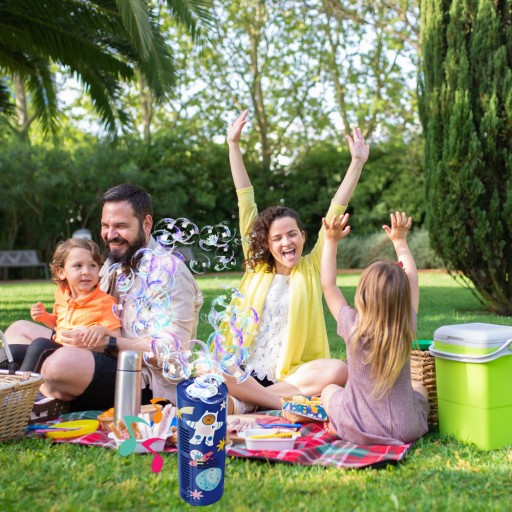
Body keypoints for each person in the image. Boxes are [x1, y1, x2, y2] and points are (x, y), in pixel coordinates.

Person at [3, 184, 203, 411]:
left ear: (146, 224)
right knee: (17, 332)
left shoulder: (169, 273)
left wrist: (109, 343)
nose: (110, 235)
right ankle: (35, 392)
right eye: (105, 226)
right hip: (95, 351)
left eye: (121, 226)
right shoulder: (113, 262)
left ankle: (35, 398)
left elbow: (173, 352)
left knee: (58, 364)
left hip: (141, 378)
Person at [224, 109, 369, 413]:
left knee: (338, 370)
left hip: (289, 378)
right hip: (242, 370)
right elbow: (245, 199)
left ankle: (249, 403)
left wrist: (357, 162)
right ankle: (272, 403)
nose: (286, 242)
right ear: (267, 244)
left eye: (292, 234)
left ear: (303, 237)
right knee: (214, 366)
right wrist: (233, 145)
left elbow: (336, 208)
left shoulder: (312, 268)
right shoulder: (256, 266)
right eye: (277, 238)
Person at [320, 211, 430, 445]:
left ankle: (337, 424)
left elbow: (329, 286)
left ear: (362, 295)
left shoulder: (352, 326)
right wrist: (400, 242)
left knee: (329, 390)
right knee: (419, 387)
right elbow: (412, 280)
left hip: (357, 427)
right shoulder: (405, 324)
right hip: (405, 428)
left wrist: (330, 242)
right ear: (403, 299)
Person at [19, 238, 122, 372]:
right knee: (12, 352)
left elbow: (117, 336)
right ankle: (10, 382)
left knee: (40, 346)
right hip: (61, 348)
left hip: (83, 358)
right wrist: (44, 317)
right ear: (61, 272)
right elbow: (59, 324)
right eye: (78, 266)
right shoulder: (61, 293)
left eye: (92, 265)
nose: (86, 271)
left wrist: (102, 330)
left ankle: (24, 384)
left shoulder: (104, 302)